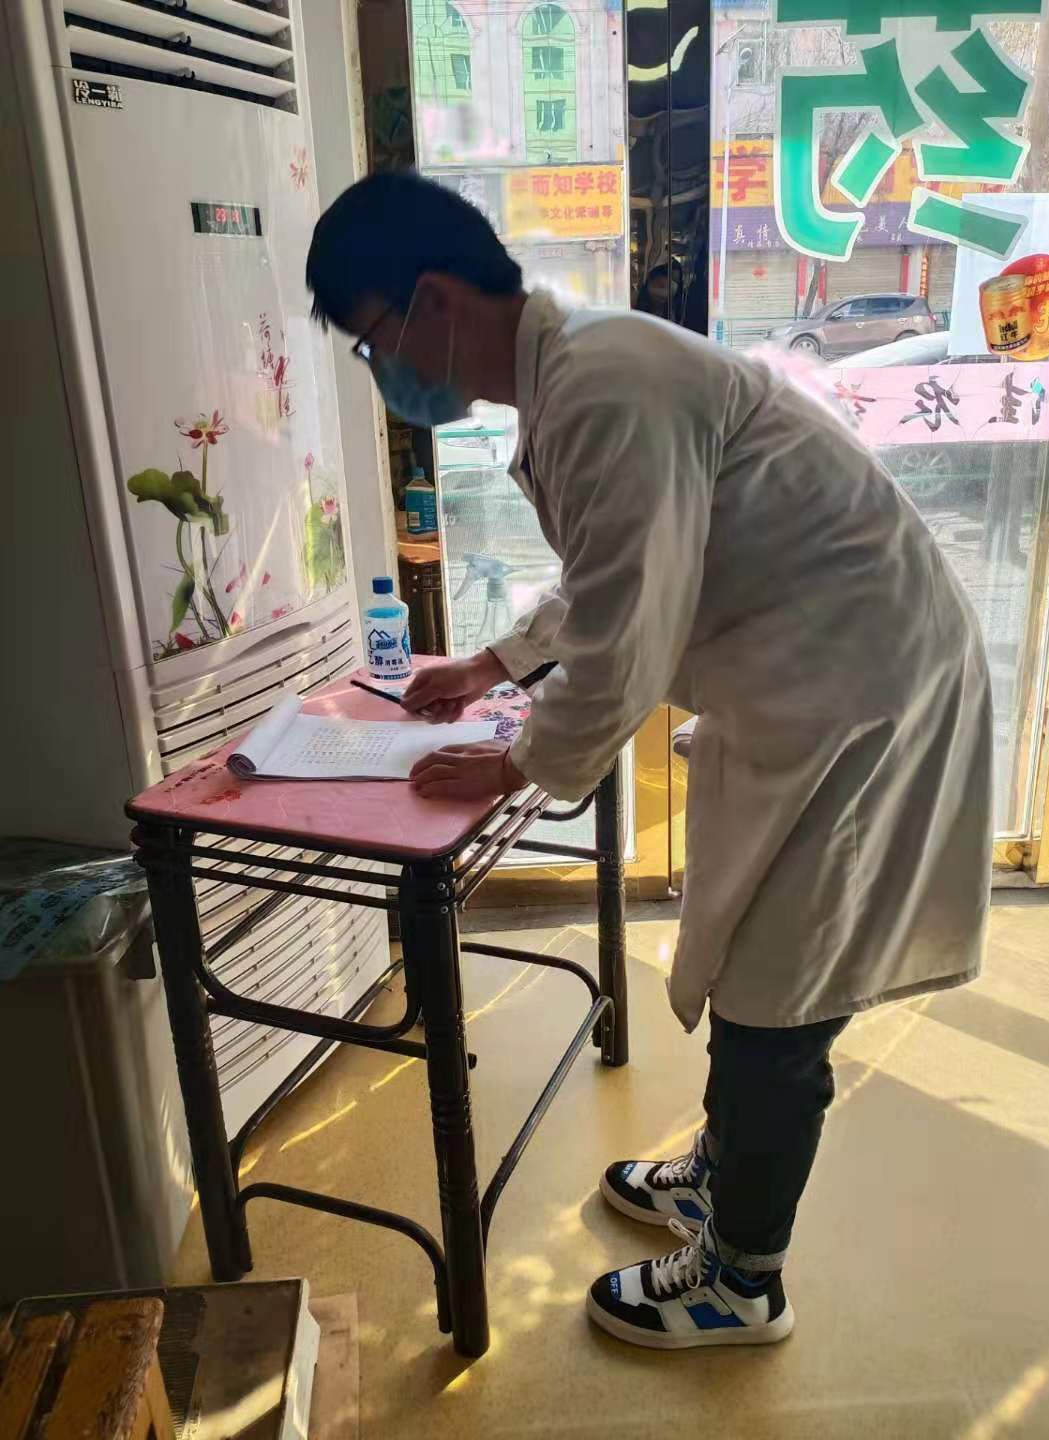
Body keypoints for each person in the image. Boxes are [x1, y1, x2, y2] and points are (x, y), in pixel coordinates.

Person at [306, 172, 993, 1352]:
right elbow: (620, 570)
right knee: (752, 969)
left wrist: (514, 764)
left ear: (433, 301)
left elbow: (626, 631)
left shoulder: (602, 384)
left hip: (858, 695)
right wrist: (492, 665)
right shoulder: (576, 376)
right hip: (804, 684)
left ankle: (743, 1281)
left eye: (372, 343)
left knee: (781, 999)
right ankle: (725, 1173)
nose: (384, 374)